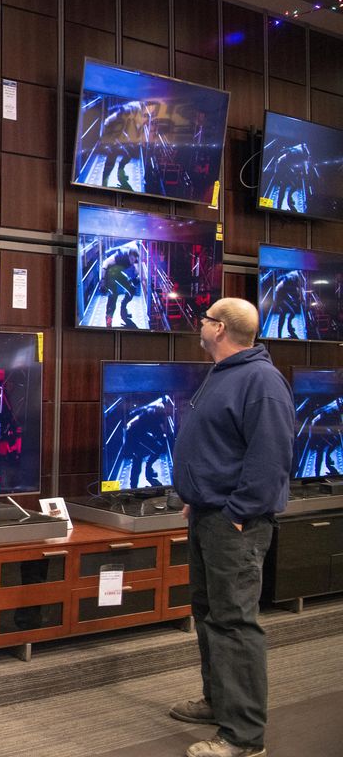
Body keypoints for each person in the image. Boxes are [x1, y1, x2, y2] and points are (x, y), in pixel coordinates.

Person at [169, 298, 294, 757]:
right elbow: (222, 448)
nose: (199, 325)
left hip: (233, 524)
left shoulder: (261, 382)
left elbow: (271, 460)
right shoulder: (227, 373)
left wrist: (236, 512)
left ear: (219, 328)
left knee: (235, 625)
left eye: (204, 320)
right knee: (210, 616)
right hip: (207, 515)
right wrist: (196, 498)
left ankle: (244, 737)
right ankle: (217, 701)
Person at [90, 100, 153, 191]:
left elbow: (138, 124)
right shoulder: (124, 113)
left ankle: (120, 168)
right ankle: (104, 180)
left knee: (129, 154)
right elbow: (108, 122)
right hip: (115, 140)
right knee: (111, 160)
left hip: (125, 139)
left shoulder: (136, 110)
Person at [121, 395, 175, 489]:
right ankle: (133, 485)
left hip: (141, 434)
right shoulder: (149, 415)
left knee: (157, 448)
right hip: (133, 437)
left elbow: (159, 430)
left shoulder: (153, 414)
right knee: (137, 459)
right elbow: (158, 430)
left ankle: (148, 469)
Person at [100, 241, 142, 328]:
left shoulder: (135, 257)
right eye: (131, 259)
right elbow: (105, 264)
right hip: (109, 273)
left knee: (132, 289)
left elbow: (136, 268)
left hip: (117, 272)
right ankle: (109, 319)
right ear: (128, 255)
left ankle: (123, 310)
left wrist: (137, 277)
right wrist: (103, 281)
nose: (132, 261)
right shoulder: (121, 255)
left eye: (134, 260)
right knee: (113, 295)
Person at [269, 270, 304, 339]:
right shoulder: (293, 278)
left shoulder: (294, 276)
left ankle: (287, 329)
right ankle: (285, 331)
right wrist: (275, 302)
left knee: (287, 314)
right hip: (280, 296)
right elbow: (278, 289)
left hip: (284, 294)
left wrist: (300, 297)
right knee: (287, 314)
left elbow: (298, 289)